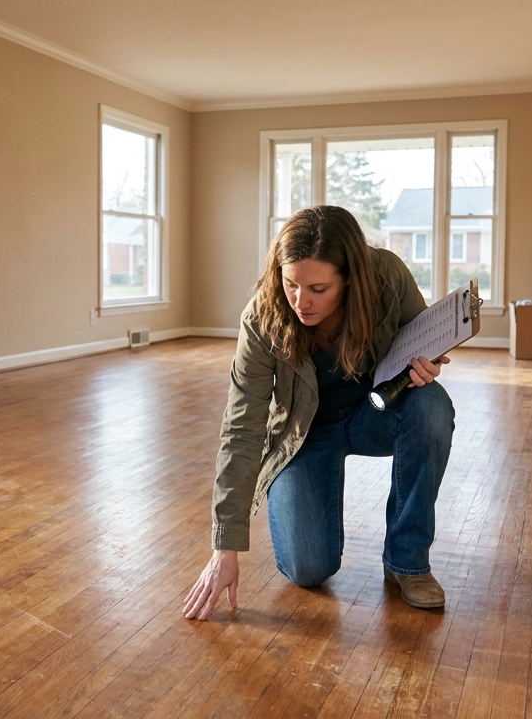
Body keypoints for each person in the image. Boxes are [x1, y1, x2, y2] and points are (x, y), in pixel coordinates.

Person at [182, 205, 455, 620]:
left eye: (318, 289)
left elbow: (423, 337)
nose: (300, 301)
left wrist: (428, 365)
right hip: (303, 433)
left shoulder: (387, 277)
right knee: (308, 569)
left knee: (432, 406)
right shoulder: (262, 317)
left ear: (349, 278)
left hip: (375, 413)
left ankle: (407, 562)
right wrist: (225, 547)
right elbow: (241, 428)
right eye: (290, 284)